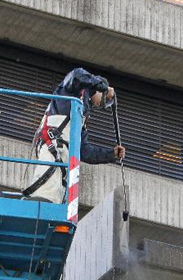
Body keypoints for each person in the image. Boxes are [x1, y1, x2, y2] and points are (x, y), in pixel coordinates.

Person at [24, 68, 125, 203]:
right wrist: (103, 86)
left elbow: (84, 151)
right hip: (52, 145)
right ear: (98, 89)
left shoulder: (80, 115)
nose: (99, 104)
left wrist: (111, 154)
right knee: (46, 189)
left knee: (54, 191)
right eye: (103, 99)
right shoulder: (73, 90)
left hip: (62, 152)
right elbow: (77, 74)